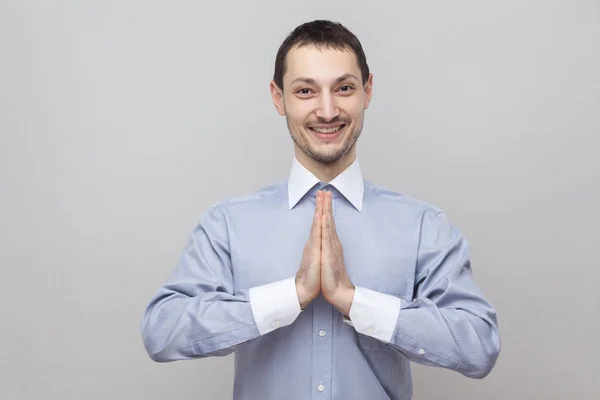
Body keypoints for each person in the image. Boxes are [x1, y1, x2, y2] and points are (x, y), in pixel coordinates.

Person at [141, 19, 500, 400]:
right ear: (279, 98)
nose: (327, 111)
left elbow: (479, 346)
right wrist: (290, 296)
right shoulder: (228, 224)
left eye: (343, 88)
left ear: (368, 91)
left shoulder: (423, 226)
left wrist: (354, 300)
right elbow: (162, 332)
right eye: (306, 91)